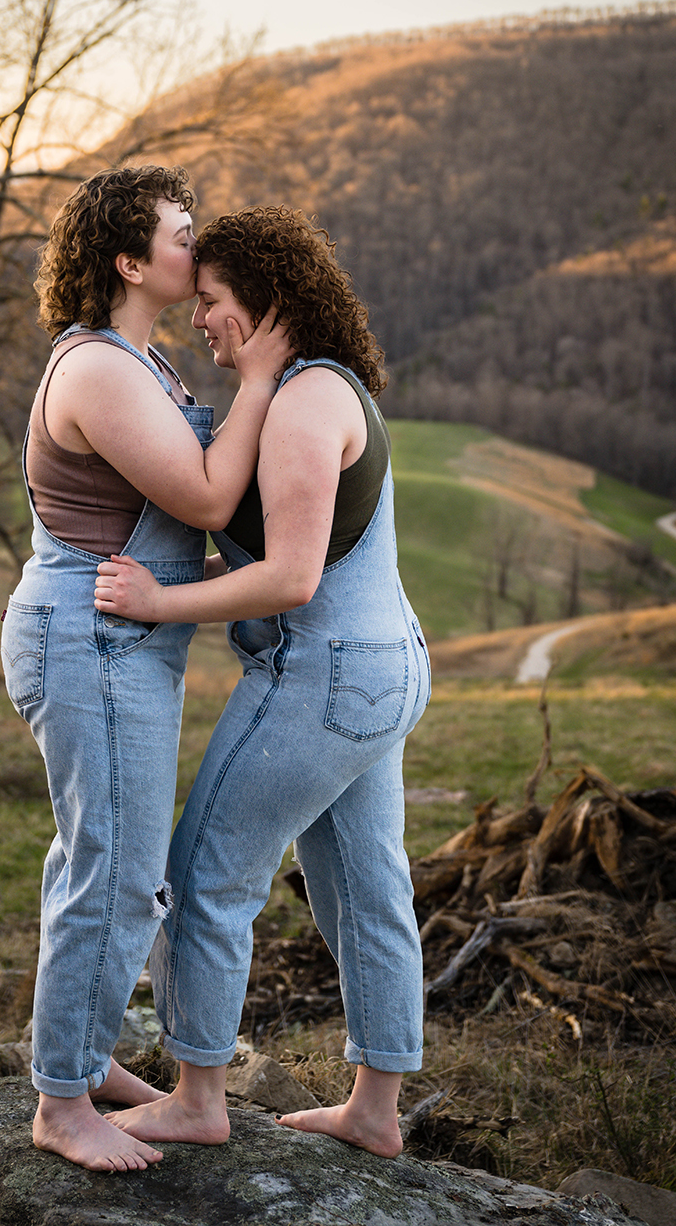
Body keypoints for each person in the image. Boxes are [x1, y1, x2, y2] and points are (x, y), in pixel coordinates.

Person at [93, 205, 431, 1158]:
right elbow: (294, 555)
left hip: (321, 677)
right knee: (366, 887)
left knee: (202, 876)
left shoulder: (304, 401)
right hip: (377, 672)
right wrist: (176, 582)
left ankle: (197, 1095)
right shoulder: (316, 389)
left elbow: (290, 577)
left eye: (212, 299)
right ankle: (375, 1110)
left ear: (268, 299)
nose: (199, 316)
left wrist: (160, 602)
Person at [0, 168, 289, 1173]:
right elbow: (208, 497)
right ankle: (61, 1104)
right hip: (91, 639)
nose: (193, 247)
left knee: (102, 859)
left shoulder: (142, 359)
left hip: (124, 643)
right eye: (178, 234)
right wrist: (258, 379)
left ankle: (74, 1058)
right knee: (117, 874)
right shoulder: (100, 371)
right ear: (128, 261)